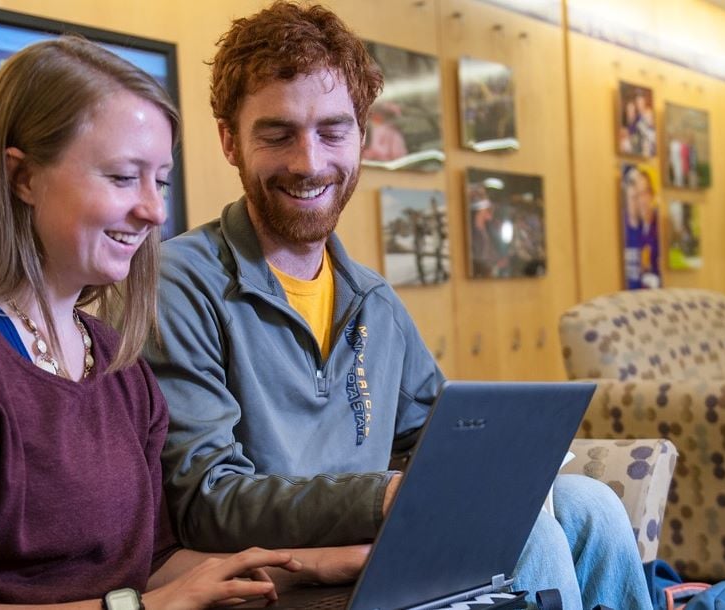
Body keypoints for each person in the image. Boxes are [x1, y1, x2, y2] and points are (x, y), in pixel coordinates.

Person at [0, 36, 360, 610]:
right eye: (124, 178)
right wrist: (132, 609)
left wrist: (321, 564)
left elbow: (151, 563)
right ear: (22, 178)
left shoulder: (114, 359)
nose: (153, 210)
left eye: (161, 181)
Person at [147, 4, 651, 610]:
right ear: (231, 141)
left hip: (378, 548)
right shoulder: (181, 282)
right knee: (524, 536)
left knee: (592, 505)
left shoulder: (372, 301)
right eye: (278, 134)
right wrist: (385, 495)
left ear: (363, 136)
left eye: (333, 132)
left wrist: (503, 464)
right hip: (286, 579)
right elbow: (207, 501)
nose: (309, 163)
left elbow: (432, 438)